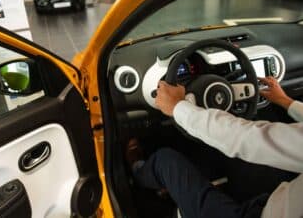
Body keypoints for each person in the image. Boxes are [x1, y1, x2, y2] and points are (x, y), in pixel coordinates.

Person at [127, 76, 303, 218]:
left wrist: (177, 107)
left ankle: (136, 171)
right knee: (238, 146)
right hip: (281, 199)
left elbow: (247, 138)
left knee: (165, 161)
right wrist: (287, 102)